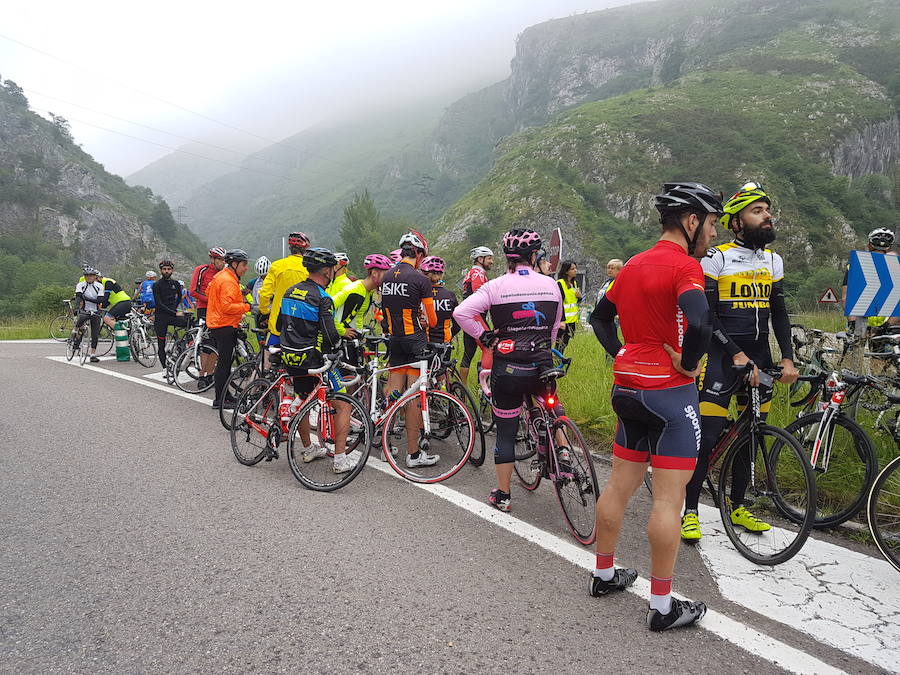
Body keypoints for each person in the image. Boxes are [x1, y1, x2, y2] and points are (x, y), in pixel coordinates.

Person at [588, 181, 720, 632]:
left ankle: (604, 574)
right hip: (669, 392)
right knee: (669, 497)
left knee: (620, 484)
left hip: (627, 388)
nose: (714, 233)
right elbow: (700, 319)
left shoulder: (631, 266)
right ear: (690, 221)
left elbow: (598, 317)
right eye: (712, 223)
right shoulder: (685, 267)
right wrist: (687, 362)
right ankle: (662, 606)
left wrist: (623, 353)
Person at [681, 181, 798, 541]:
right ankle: (689, 509)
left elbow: (779, 313)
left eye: (768, 211)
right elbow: (708, 316)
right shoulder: (717, 258)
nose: (767, 217)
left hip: (759, 359)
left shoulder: (773, 261)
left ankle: (737, 506)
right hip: (721, 358)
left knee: (751, 434)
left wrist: (789, 359)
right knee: (710, 434)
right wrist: (734, 352)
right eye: (758, 211)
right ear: (736, 221)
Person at [454, 229, 562, 512]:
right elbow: (553, 328)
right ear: (535, 255)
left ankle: (503, 496)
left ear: (507, 257)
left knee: (505, 431)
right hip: (541, 363)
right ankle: (560, 451)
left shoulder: (495, 286)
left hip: (509, 369)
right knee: (552, 405)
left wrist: (486, 337)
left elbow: (462, 313)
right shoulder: (552, 286)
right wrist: (542, 348)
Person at [277, 247, 356, 473]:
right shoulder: (323, 298)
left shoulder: (290, 292)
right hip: (313, 361)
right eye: (332, 268)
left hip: (290, 356)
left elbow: (281, 326)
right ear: (326, 271)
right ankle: (340, 460)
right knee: (343, 405)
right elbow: (331, 335)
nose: (333, 272)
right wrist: (339, 349)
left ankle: (310, 447)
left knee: (302, 398)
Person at [379, 231, 439, 467]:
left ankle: (385, 446)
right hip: (414, 340)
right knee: (413, 397)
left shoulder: (385, 278)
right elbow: (432, 320)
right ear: (419, 253)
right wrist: (422, 319)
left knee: (393, 392)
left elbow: (384, 313)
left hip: (394, 340)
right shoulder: (420, 279)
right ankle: (413, 454)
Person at [206, 249, 251, 409]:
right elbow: (227, 306)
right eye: (244, 265)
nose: (246, 268)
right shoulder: (228, 280)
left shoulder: (221, 276)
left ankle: (225, 396)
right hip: (224, 325)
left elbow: (208, 291)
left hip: (219, 323)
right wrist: (247, 307)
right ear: (234, 264)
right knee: (224, 364)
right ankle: (220, 399)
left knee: (224, 363)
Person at [258, 232, 310, 349]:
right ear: (305, 249)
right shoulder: (309, 268)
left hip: (278, 320)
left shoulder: (277, 266)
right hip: (301, 321)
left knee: (269, 355)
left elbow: (264, 293)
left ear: (290, 248)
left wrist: (265, 311)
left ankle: (266, 367)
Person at [841, 228, 898, 332]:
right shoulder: (896, 267)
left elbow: (845, 298)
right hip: (889, 323)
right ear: (888, 247)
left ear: (869, 245)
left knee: (856, 347)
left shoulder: (855, 266)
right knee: (883, 347)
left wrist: (852, 324)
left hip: (860, 320)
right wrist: (887, 325)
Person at [332, 254, 392, 338]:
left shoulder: (368, 291)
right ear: (374, 273)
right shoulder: (354, 289)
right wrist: (342, 331)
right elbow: (327, 307)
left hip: (353, 338)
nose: (388, 278)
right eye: (385, 274)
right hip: (341, 339)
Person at [459, 246, 494, 383]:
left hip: (468, 318)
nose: (492, 261)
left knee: (468, 353)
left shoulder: (470, 273)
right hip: (476, 317)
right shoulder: (478, 274)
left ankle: (463, 389)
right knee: (489, 348)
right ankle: (485, 385)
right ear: (480, 259)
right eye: (489, 258)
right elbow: (479, 296)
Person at [152, 260, 187, 370]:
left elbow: (179, 297)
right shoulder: (156, 285)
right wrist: (174, 312)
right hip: (161, 317)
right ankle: (164, 368)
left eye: (169, 269)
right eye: (164, 269)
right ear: (161, 270)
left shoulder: (175, 284)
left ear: (172, 270)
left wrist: (174, 309)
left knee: (189, 323)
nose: (166, 271)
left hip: (172, 314)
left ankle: (182, 346)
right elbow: (159, 303)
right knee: (161, 343)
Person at [421, 256, 458, 344]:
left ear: (424, 273)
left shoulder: (419, 294)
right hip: (444, 342)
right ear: (441, 275)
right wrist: (450, 335)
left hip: (424, 341)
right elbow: (457, 324)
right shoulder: (450, 295)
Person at [73, 267, 104, 362]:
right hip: (84, 310)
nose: (89, 277)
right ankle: (76, 339)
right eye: (87, 276)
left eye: (91, 275)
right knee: (81, 324)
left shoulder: (99, 286)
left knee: (95, 334)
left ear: (95, 276)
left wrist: (86, 298)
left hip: (95, 311)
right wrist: (77, 307)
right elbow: (78, 296)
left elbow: (100, 300)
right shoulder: (81, 285)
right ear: (84, 277)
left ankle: (93, 355)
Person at [556, 260, 582, 354]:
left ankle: (559, 361)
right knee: (560, 344)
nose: (575, 270)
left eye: (576, 268)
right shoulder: (560, 283)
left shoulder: (575, 283)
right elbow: (559, 303)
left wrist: (579, 297)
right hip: (563, 321)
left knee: (565, 344)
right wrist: (561, 320)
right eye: (572, 269)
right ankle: (556, 362)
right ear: (566, 271)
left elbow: (576, 301)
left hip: (572, 320)